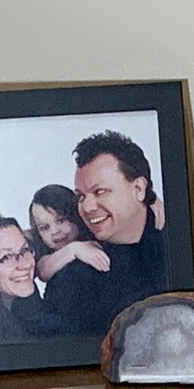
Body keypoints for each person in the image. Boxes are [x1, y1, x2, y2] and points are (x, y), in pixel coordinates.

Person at [50, 130, 170, 336]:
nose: (87, 207)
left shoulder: (178, 244)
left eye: (100, 192)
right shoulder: (72, 278)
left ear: (138, 188)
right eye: (81, 196)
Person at [0, 216, 64, 346]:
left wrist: (74, 250)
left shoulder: (24, 300)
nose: (25, 264)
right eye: (6, 257)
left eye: (25, 250)